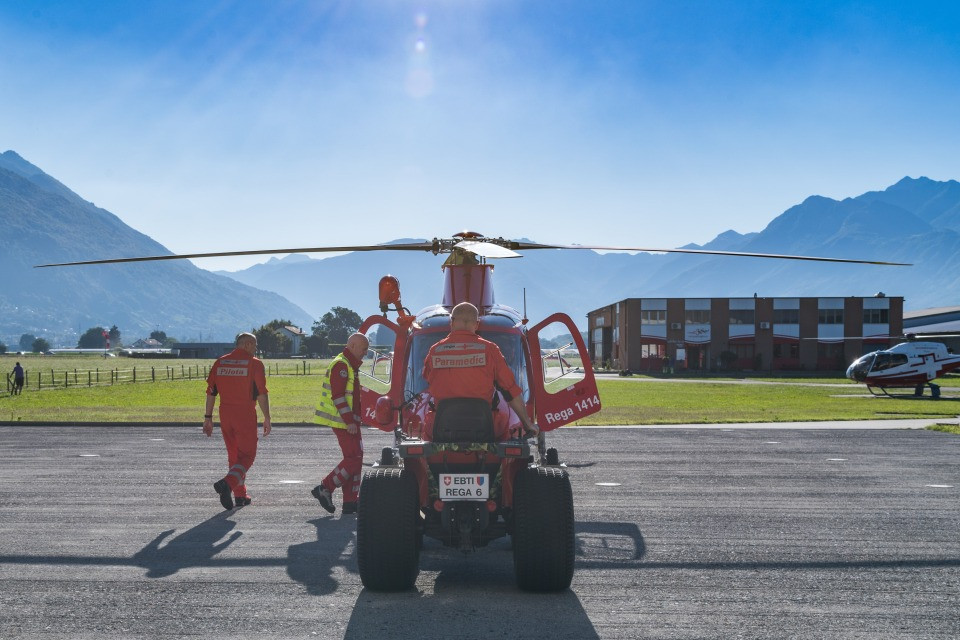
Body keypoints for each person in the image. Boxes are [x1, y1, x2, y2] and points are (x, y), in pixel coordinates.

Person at [415, 302, 539, 510]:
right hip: (485, 430)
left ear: (451, 322)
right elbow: (511, 390)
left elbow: (427, 378)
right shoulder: (490, 350)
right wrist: (527, 423)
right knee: (504, 427)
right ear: (476, 323)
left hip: (441, 431)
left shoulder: (435, 351)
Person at [203, 332, 272, 510]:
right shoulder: (254, 364)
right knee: (247, 456)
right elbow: (262, 393)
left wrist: (208, 418)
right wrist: (267, 417)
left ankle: (240, 495)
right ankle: (228, 483)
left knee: (234, 456)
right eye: (255, 346)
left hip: (225, 414)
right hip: (245, 414)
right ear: (248, 344)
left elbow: (211, 392)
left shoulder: (220, 362)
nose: (255, 349)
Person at [311, 332, 369, 515]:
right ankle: (325, 487)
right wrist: (350, 421)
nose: (365, 353)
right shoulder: (341, 365)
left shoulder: (350, 365)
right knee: (354, 459)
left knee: (356, 459)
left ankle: (350, 502)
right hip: (344, 422)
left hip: (350, 422)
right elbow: (338, 396)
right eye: (364, 348)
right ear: (352, 346)